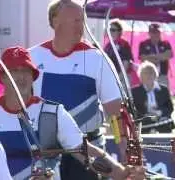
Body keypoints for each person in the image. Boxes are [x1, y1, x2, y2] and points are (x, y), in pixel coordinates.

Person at [0, 47, 145, 180]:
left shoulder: (52, 113)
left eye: (25, 71)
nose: (21, 77)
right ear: (2, 77)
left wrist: (122, 173)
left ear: (33, 76)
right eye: (14, 71)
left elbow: (85, 151)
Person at [28, 1, 128, 179]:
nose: (82, 26)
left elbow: (116, 113)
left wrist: (125, 150)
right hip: (45, 153)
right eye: (76, 20)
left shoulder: (97, 58)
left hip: (87, 150)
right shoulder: (32, 57)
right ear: (55, 20)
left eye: (83, 20)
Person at [132, 61, 174, 133]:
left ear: (155, 75)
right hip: (144, 121)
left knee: (165, 124)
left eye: (151, 73)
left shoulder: (163, 89)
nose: (149, 75)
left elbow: (170, 108)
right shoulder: (135, 91)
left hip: (161, 120)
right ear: (141, 76)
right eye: (145, 73)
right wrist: (146, 116)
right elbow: (133, 110)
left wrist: (160, 112)